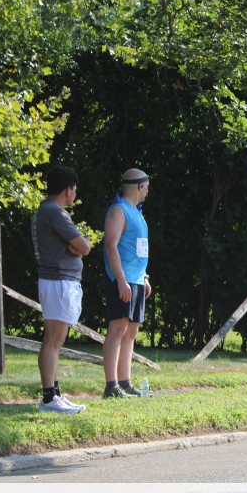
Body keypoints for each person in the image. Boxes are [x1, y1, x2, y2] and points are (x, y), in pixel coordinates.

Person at [31, 165, 91, 414]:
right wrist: (76, 247)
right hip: (58, 281)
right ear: (68, 190)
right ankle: (49, 399)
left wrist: (74, 247)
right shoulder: (55, 213)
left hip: (57, 281)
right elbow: (84, 247)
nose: (75, 194)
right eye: (74, 189)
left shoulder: (46, 211)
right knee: (53, 340)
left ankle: (54, 394)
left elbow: (77, 247)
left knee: (55, 340)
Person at [101, 168, 151, 399]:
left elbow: (138, 249)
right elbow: (111, 245)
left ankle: (125, 382)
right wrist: (121, 279)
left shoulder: (138, 213)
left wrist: (145, 277)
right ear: (140, 186)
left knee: (131, 331)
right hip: (122, 279)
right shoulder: (118, 210)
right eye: (147, 187)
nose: (148, 191)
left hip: (137, 280)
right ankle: (111, 386)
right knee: (118, 329)